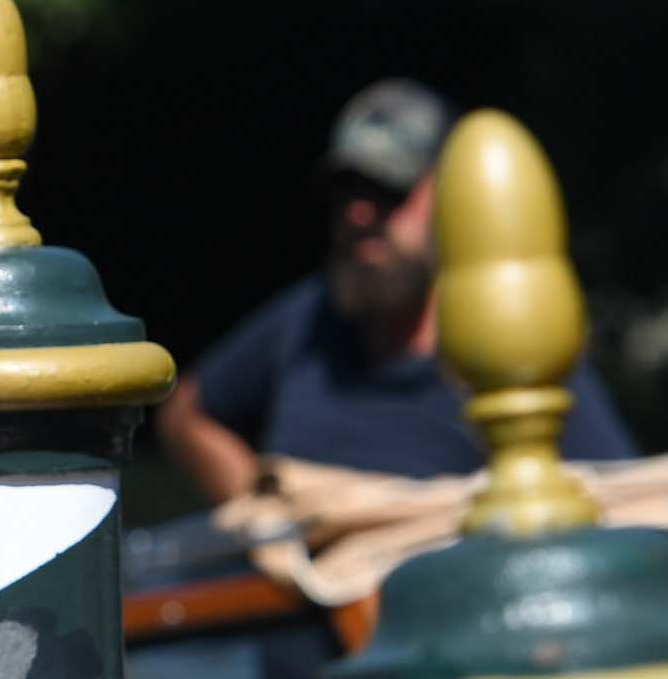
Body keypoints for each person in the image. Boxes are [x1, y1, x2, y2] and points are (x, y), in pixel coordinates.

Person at [158, 78, 637, 503]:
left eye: (388, 190)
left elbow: (620, 503)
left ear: (452, 197)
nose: (360, 215)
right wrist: (258, 515)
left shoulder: (503, 346)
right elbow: (187, 412)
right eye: (347, 191)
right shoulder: (306, 321)